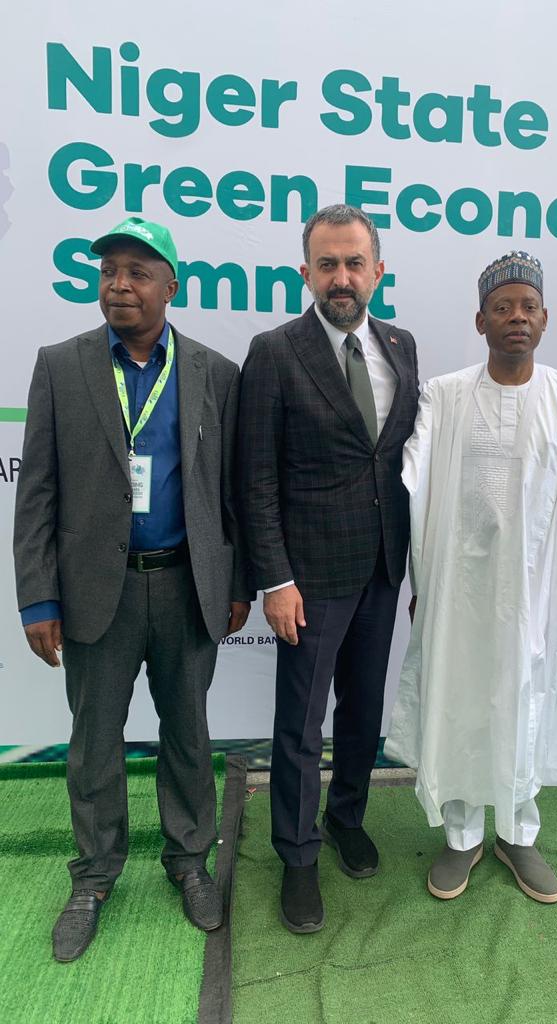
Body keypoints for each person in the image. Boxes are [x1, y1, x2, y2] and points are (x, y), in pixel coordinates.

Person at [13, 217, 250, 961]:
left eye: (138, 273)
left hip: (185, 587)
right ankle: (93, 877)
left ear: (170, 287)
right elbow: (37, 490)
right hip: (95, 592)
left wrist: (237, 584)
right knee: (93, 743)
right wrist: (38, 597)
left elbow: (232, 492)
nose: (119, 285)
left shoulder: (216, 373)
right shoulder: (61, 366)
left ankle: (189, 862)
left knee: (189, 735)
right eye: (109, 271)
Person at [385, 251, 557, 903]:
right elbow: (418, 492)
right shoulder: (445, 396)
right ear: (480, 321)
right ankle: (461, 837)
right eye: (502, 307)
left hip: (539, 591)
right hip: (460, 590)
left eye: (527, 307)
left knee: (526, 703)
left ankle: (518, 834)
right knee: (460, 700)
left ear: (545, 319)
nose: (516, 317)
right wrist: (422, 583)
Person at [238, 204, 419, 932]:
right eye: (327, 264)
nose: (341, 278)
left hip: (383, 568)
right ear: (306, 273)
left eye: (354, 263)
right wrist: (276, 580)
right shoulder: (274, 351)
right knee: (301, 725)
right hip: (309, 580)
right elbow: (255, 477)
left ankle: (346, 816)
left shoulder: (402, 345)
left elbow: (401, 461)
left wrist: (417, 570)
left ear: (378, 271)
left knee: (364, 711)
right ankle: (297, 853)